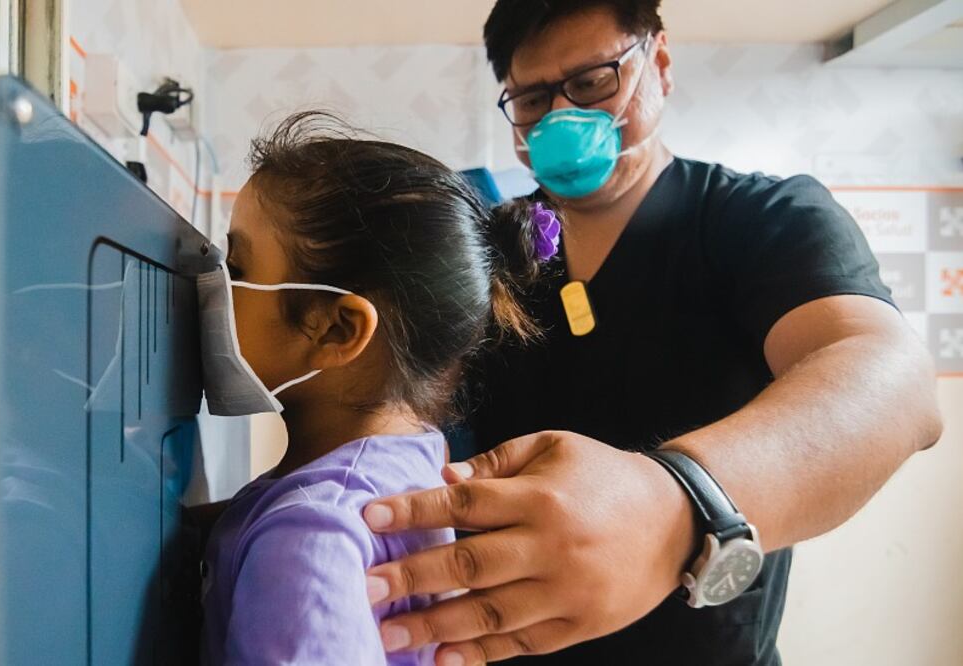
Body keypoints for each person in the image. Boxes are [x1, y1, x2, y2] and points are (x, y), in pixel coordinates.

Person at [358, 2, 944, 664]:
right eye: (531, 98)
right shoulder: (488, 249)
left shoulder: (759, 220)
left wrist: (674, 506)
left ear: (658, 63)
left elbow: (892, 383)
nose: (561, 118)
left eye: (592, 82)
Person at [197, 112, 559, 664]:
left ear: (337, 329)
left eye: (237, 266)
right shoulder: (411, 460)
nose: (216, 287)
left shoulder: (311, 536)